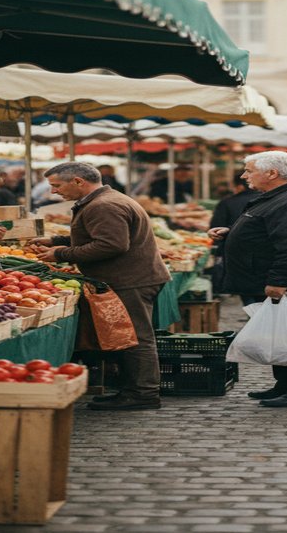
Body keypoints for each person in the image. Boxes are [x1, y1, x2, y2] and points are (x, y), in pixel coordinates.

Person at [30, 162, 170, 411]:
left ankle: (143, 393)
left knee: (135, 337)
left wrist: (62, 252)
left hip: (131, 280)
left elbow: (111, 245)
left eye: (56, 185)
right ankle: (132, 389)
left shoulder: (104, 205)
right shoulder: (104, 200)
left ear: (77, 182)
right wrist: (56, 239)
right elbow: (98, 236)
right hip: (131, 277)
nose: (53, 192)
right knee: (130, 336)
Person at [208, 151, 287, 408]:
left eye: (249, 170)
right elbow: (271, 231)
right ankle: (286, 384)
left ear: (272, 173)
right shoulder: (280, 198)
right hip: (275, 279)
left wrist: (279, 280)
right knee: (282, 333)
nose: (244, 175)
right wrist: (234, 233)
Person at [210, 176, 256, 257]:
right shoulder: (265, 200)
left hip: (233, 250)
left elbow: (216, 228)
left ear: (240, 187)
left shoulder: (227, 202)